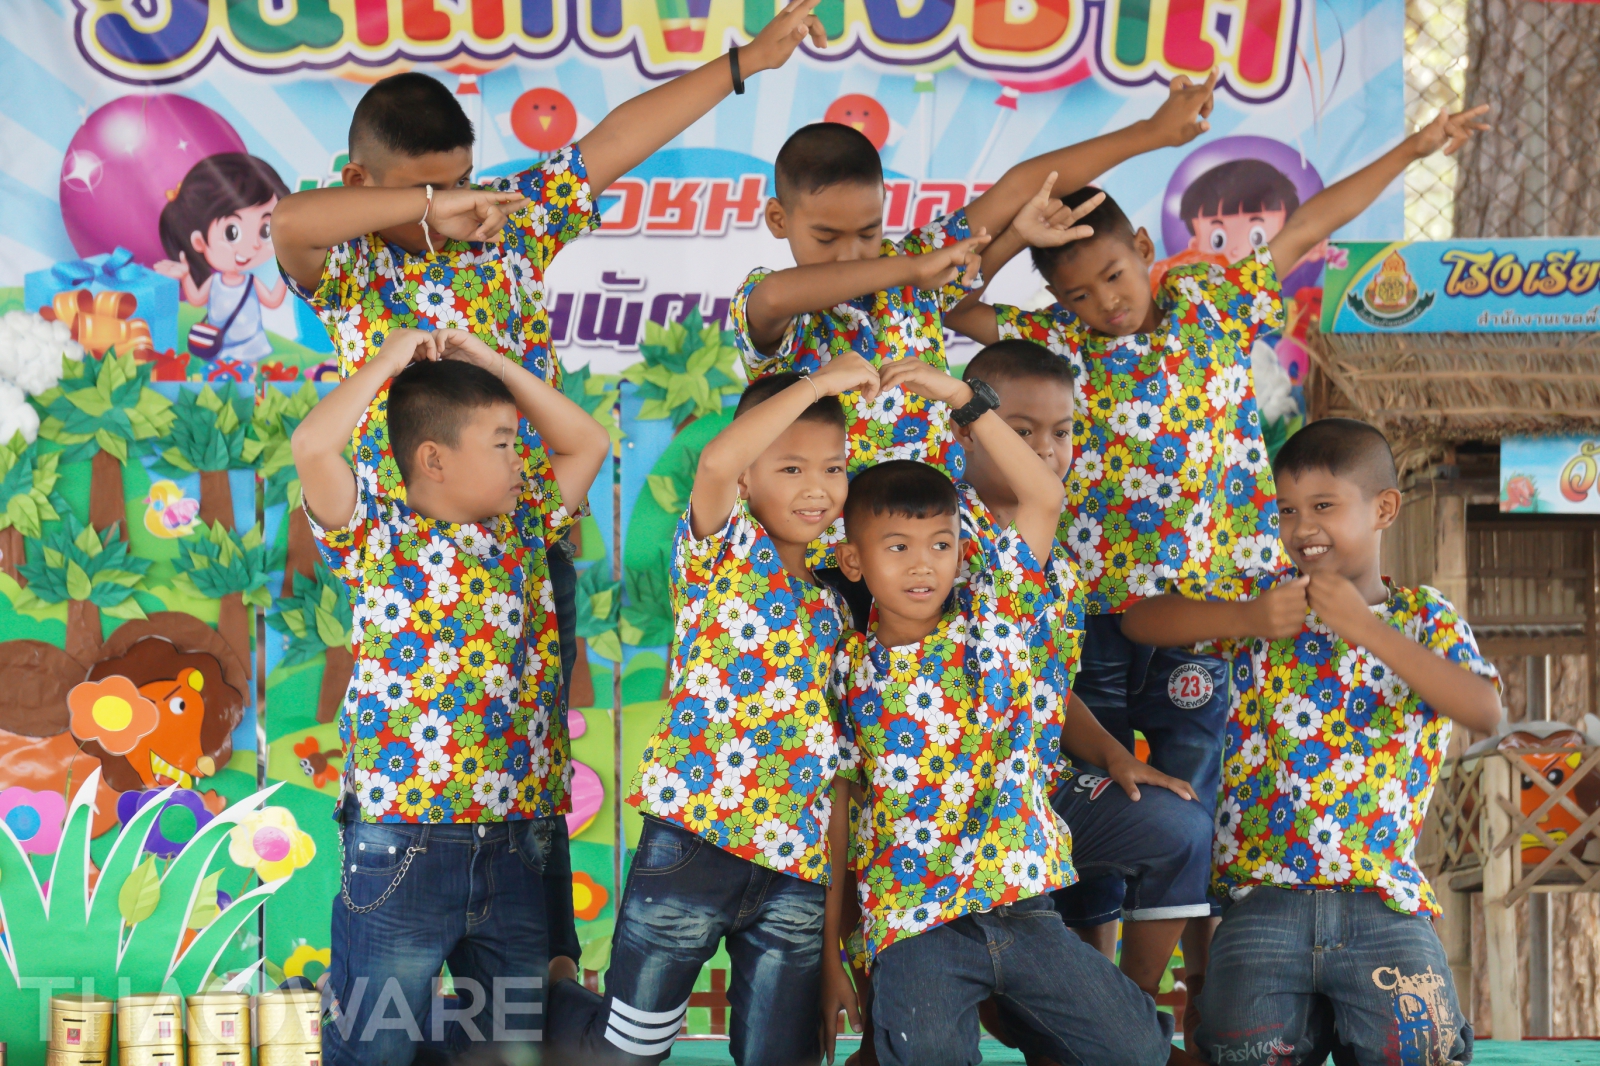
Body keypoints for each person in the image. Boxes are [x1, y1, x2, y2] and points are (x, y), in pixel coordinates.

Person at [274, 1, 824, 970]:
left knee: (530, 751)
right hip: (404, 557)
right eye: (425, 187)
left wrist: (744, 63)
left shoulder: (505, 225)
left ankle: (543, 959)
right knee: (425, 747)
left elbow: (615, 141)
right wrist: (420, 210)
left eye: (460, 179)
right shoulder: (352, 263)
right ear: (364, 182)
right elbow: (289, 221)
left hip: (527, 538)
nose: (453, 202)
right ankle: (405, 944)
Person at [945, 105, 1490, 1037]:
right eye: (1077, 294)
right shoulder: (1061, 347)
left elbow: (1310, 224)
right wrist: (1015, 234)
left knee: (1196, 799)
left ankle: (1156, 1005)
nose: (1105, 303)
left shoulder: (1210, 304)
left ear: (1144, 253)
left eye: (1114, 276)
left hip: (1221, 613)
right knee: (1107, 805)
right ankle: (1088, 1011)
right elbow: (946, 302)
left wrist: (1411, 148)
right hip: (1098, 617)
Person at [728, 73, 1220, 625]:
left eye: (868, 232)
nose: (851, 254)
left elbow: (1018, 187)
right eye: (826, 237)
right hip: (826, 558)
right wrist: (910, 269)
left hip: (935, 559)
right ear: (779, 219)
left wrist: (1151, 132)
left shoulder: (914, 268)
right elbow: (776, 295)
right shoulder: (780, 301)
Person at [820, 354, 1177, 1066]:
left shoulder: (996, 619)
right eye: (898, 547)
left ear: (962, 554)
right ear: (855, 562)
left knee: (1138, 1049)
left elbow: (1043, 495)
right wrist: (833, 948)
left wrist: (964, 397)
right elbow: (838, 806)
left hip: (1023, 906)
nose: (922, 564)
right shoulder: (846, 671)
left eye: (941, 545)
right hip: (916, 924)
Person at [1120, 418, 1501, 1065]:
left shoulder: (1422, 617)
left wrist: (1366, 628)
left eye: (1324, 506)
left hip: (1384, 904)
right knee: (1239, 1052)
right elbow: (1140, 620)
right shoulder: (1268, 601)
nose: (1302, 527)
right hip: (1263, 903)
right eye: (1288, 510)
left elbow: (1484, 710)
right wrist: (1246, 617)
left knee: (1425, 1051)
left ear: (1384, 509)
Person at [547, 355, 880, 1065]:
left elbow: (841, 773)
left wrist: (831, 950)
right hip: (693, 846)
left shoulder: (839, 606)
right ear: (748, 478)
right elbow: (715, 464)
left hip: (797, 869)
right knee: (627, 1053)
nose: (817, 488)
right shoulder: (722, 551)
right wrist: (817, 384)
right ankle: (545, 1006)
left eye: (833, 468)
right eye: (791, 468)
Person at [290, 325, 610, 1063]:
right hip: (404, 840)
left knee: (508, 1048)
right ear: (433, 458)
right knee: (375, 1046)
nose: (518, 458)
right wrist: (389, 360)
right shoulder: (376, 535)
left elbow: (587, 444)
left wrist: (494, 364)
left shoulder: (524, 528)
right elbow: (312, 445)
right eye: (501, 443)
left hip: (514, 840)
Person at [953, 341, 1211, 1003]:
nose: (1047, 449)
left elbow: (1041, 689)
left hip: (1046, 791)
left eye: (1062, 432)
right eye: (1021, 431)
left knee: (1180, 824)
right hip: (951, 806)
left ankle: (1132, 1010)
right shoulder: (935, 536)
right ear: (968, 430)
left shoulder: (1061, 567)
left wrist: (1115, 757)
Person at [154, 152, 290, 364]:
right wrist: (186, 276)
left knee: (248, 378)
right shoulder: (215, 282)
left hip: (249, 344)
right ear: (199, 242)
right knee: (219, 376)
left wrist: (286, 274)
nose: (253, 245)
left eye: (265, 230)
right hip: (219, 344)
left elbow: (273, 301)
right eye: (232, 232)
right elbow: (196, 300)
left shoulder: (251, 282)